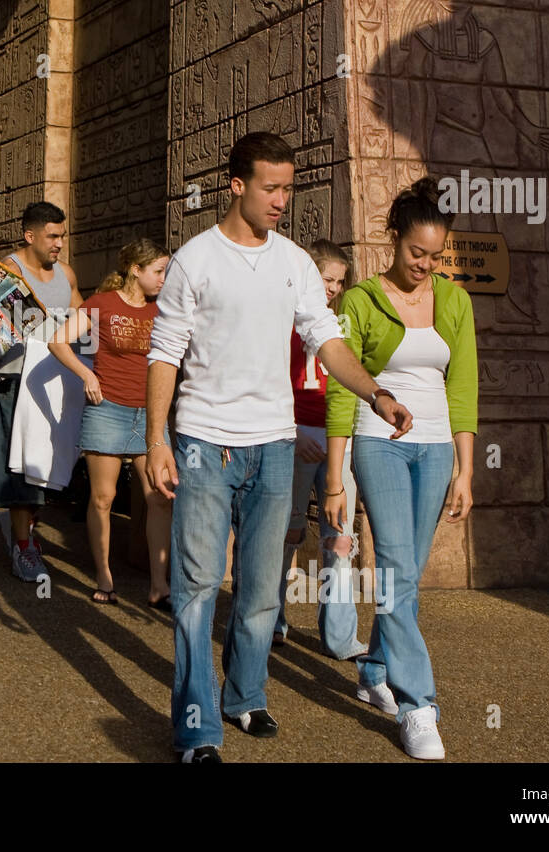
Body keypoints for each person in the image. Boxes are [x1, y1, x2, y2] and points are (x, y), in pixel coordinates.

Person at [145, 132, 414, 763]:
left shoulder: (294, 262)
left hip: (275, 444)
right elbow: (164, 353)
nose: (281, 200)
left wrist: (376, 394)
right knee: (196, 588)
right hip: (204, 442)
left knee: (264, 588)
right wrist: (157, 440)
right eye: (271, 187)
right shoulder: (194, 260)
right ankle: (196, 729)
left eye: (288, 188)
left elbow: (326, 340)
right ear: (235, 186)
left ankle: (243, 697)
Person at [324, 178, 476, 760]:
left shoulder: (455, 300)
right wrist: (336, 478)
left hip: (436, 448)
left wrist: (466, 468)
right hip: (378, 441)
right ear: (393, 239)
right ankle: (419, 706)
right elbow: (343, 389)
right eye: (417, 253)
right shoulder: (361, 300)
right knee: (393, 564)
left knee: (406, 575)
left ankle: (375, 670)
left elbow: (463, 387)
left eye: (436, 256)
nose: (425, 265)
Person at [49, 238, 172, 608]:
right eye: (159, 271)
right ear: (136, 270)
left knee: (161, 498)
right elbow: (59, 342)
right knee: (104, 498)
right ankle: (104, 576)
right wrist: (87, 376)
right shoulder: (102, 304)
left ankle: (159, 585)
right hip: (109, 410)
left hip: (150, 416)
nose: (164, 279)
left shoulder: (163, 310)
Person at [274, 239, 369, 660]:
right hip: (293, 436)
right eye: (326, 278)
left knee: (339, 538)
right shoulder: (281, 318)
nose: (332, 288)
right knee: (285, 532)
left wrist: (343, 437)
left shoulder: (342, 323)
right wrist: (294, 430)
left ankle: (340, 635)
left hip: (335, 440)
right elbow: (267, 382)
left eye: (338, 281)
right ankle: (270, 618)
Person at [0, 201, 82, 582]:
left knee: (47, 466)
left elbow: (83, 319)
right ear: (30, 236)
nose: (60, 243)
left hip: (56, 382)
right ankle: (23, 547)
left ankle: (23, 531)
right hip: (15, 380)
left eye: (62, 235)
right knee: (20, 470)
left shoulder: (66, 273)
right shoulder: (6, 271)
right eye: (53, 236)